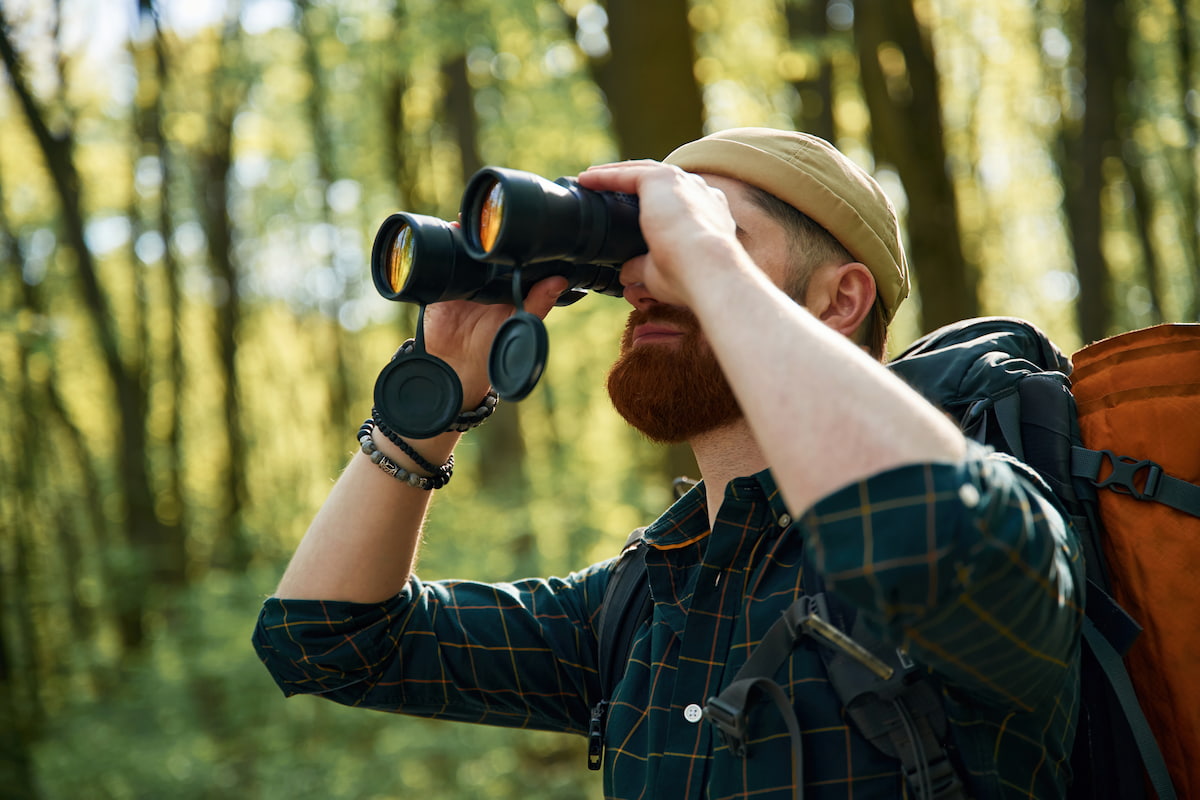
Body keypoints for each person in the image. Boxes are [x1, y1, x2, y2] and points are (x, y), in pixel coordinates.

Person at [253, 128, 1083, 799]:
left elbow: (918, 526)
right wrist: (438, 394)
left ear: (840, 299)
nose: (649, 276)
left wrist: (705, 258)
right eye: (644, 248)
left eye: (714, 234)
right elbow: (325, 640)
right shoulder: (642, 603)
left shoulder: (1006, 514)